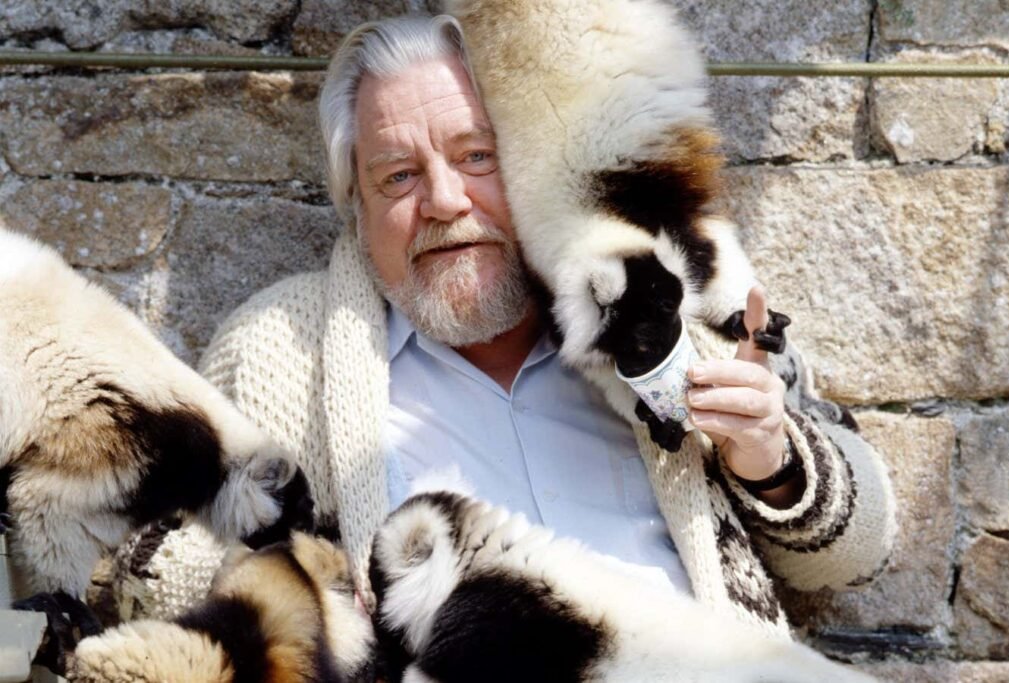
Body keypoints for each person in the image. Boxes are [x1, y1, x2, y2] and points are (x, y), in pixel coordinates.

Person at [96, 14, 895, 639]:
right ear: (357, 207)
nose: (445, 202)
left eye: (476, 157)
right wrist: (293, 578)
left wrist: (772, 461)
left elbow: (859, 551)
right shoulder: (280, 349)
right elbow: (145, 575)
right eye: (399, 175)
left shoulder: (656, 291)